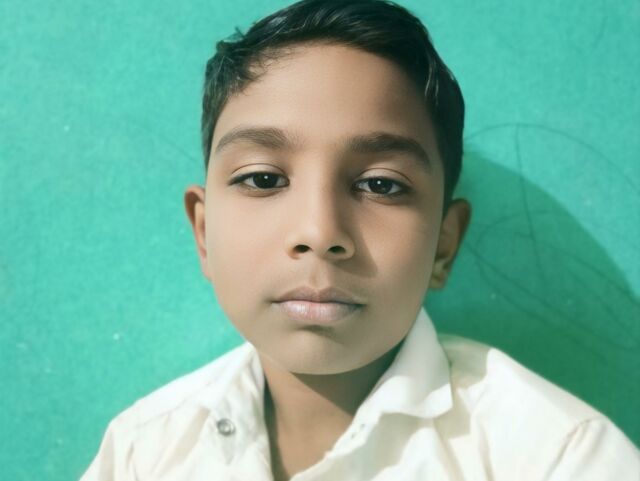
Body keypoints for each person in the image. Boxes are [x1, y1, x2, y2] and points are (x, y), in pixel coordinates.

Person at [80, 0, 639, 480]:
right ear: (204, 233)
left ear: (444, 246)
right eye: (264, 179)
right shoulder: (142, 453)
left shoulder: (559, 458)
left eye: (380, 185)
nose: (319, 233)